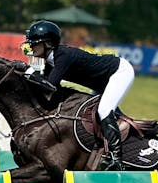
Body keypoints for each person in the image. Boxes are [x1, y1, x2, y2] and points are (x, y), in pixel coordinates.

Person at [23, 19, 135, 170]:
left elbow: (50, 86)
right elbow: (47, 89)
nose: (31, 46)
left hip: (118, 72)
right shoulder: (51, 61)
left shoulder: (63, 56)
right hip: (102, 82)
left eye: (34, 43)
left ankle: (117, 159)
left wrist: (31, 73)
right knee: (95, 112)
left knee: (104, 111)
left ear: (48, 43)